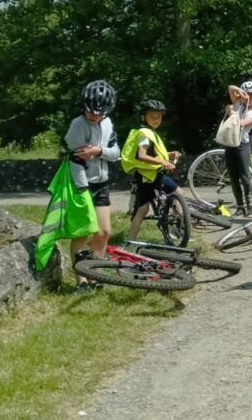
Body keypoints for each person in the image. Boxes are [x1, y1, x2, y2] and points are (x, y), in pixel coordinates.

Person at [65, 80, 121, 289]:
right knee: (83, 232)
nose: (94, 116)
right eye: (91, 112)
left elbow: (116, 154)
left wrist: (98, 151)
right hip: (82, 185)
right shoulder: (78, 125)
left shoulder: (107, 124)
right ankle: (81, 281)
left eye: (99, 114)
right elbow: (76, 161)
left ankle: (95, 274)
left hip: (102, 183)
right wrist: (82, 190)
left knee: (104, 231)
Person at [122, 100, 183, 239]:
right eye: (152, 117)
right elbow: (142, 155)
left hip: (156, 173)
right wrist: (163, 161)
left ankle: (178, 230)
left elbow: (152, 154)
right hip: (147, 176)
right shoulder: (144, 133)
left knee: (178, 194)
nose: (156, 120)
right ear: (143, 117)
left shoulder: (150, 133)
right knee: (143, 210)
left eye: (159, 117)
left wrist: (168, 155)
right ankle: (130, 240)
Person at [224, 81, 252, 216]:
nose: (249, 98)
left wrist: (230, 111)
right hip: (229, 145)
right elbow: (230, 87)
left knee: (245, 177)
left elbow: (239, 124)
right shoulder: (238, 104)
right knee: (233, 178)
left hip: (242, 146)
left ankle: (250, 206)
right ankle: (240, 207)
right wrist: (240, 92)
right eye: (247, 94)